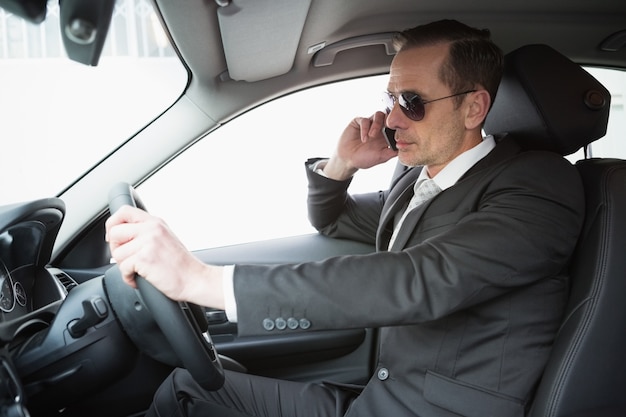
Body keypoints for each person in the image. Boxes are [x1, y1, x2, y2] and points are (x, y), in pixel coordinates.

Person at [106, 19, 584, 417]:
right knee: (197, 386)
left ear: (473, 107)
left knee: (188, 395)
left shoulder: (538, 186)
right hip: (378, 397)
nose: (394, 120)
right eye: (391, 99)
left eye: (412, 103)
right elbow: (333, 221)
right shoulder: (417, 179)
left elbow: (423, 278)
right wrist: (343, 165)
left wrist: (204, 282)